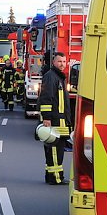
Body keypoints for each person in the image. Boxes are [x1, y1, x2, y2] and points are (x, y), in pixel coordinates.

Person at [39, 51, 72, 184]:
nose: (62, 64)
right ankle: (56, 178)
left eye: (64, 62)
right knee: (54, 150)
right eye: (59, 61)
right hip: (55, 121)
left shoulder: (59, 77)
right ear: (53, 62)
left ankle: (51, 176)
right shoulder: (50, 77)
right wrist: (46, 118)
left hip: (61, 120)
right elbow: (46, 98)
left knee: (57, 150)